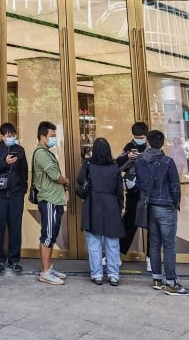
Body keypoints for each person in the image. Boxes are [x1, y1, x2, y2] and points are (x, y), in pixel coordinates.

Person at [136, 129, 189, 296]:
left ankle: (157, 279)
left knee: (154, 242)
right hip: (165, 205)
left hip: (149, 205)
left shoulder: (139, 161)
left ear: (148, 143)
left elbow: (139, 182)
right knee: (168, 245)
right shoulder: (167, 161)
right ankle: (172, 282)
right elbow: (175, 186)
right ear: (162, 142)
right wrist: (176, 203)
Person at [78, 138, 124, 286]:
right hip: (111, 205)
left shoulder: (88, 164)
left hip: (93, 204)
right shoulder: (115, 166)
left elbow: (80, 180)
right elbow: (119, 190)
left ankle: (97, 274)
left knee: (94, 242)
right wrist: (120, 207)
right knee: (112, 243)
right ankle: (113, 274)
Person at [32, 120, 69, 285]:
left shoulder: (47, 152)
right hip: (49, 199)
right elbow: (55, 175)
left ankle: (48, 267)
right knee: (47, 235)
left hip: (54, 199)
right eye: (52, 136)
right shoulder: (41, 153)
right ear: (42, 136)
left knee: (51, 235)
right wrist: (66, 181)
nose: (54, 139)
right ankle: (45, 271)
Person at [0, 122, 27, 274]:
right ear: (2, 136)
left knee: (15, 227)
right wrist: (5, 163)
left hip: (16, 194)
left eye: (13, 135)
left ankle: (14, 260)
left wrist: (23, 189)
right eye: (8, 135)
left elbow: (24, 171)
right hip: (0, 195)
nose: (11, 137)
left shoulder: (20, 150)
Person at [115, 122, 149, 258]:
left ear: (146, 136)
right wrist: (127, 158)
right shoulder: (129, 147)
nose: (138, 139)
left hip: (150, 193)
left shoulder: (152, 145)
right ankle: (117, 255)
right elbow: (118, 164)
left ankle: (151, 259)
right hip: (133, 192)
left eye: (141, 137)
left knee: (152, 225)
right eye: (136, 137)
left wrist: (143, 158)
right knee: (129, 222)